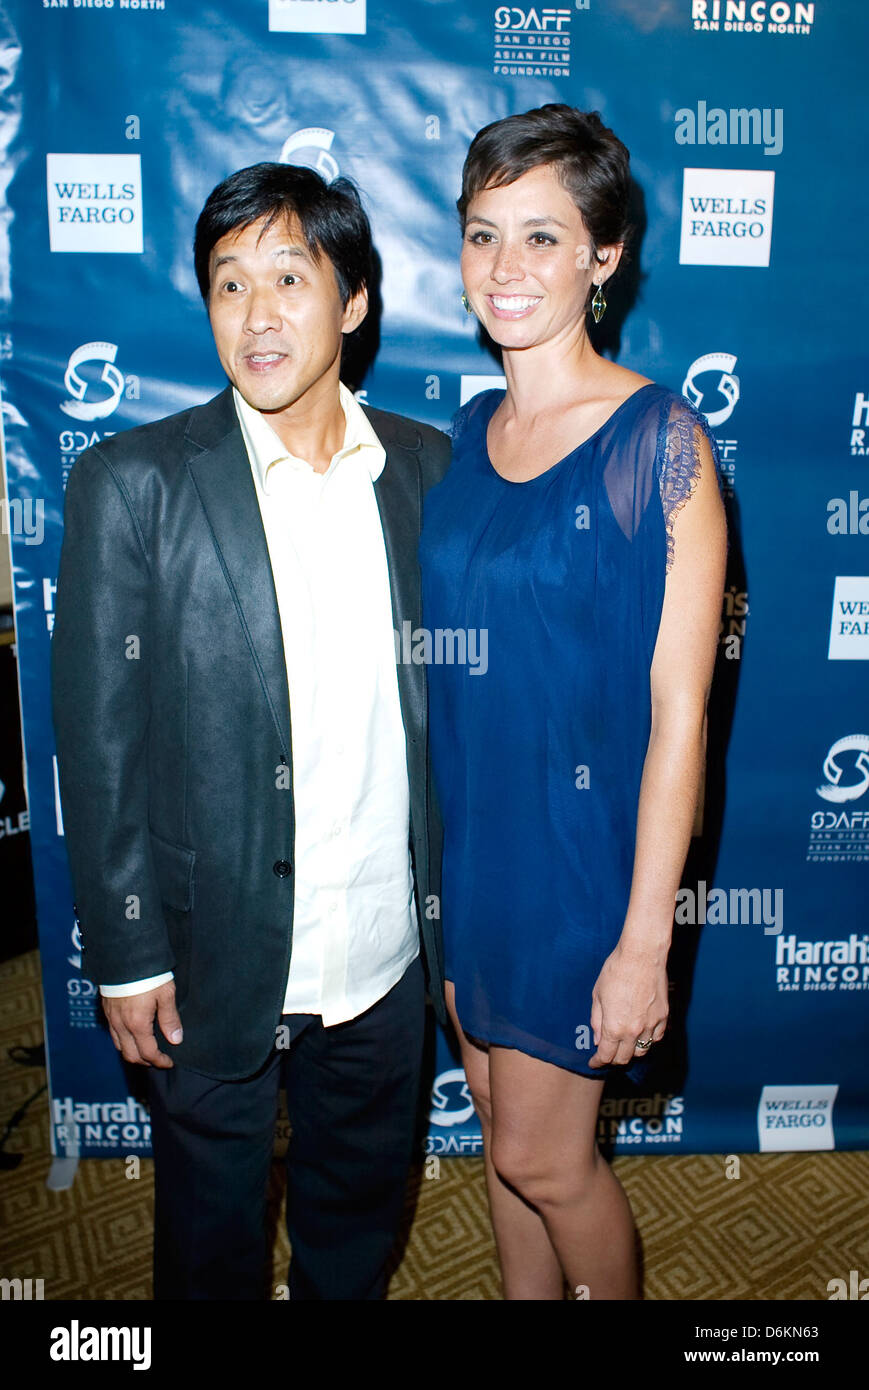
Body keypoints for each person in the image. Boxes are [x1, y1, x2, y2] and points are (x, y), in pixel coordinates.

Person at [51, 162, 450, 1301]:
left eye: (289, 276)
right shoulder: (133, 484)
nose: (258, 314)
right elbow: (100, 739)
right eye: (228, 286)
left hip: (383, 953)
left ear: (355, 299)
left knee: (355, 1229)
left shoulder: (428, 472)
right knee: (207, 1245)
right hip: (210, 952)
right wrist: (126, 950)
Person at [419, 105, 728, 1300]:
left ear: (603, 258)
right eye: (483, 234)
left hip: (580, 871)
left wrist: (643, 941)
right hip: (472, 855)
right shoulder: (464, 433)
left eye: (541, 239)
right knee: (500, 1147)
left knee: (548, 1159)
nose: (505, 269)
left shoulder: (662, 443)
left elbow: (677, 715)